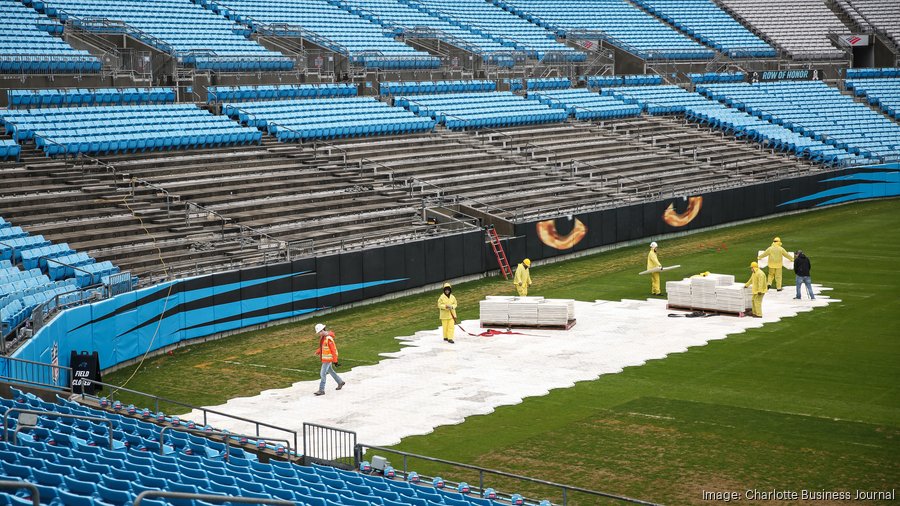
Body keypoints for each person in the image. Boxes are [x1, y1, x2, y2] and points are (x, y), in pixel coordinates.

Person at [313, 323, 345, 396]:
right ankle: (340, 382)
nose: (319, 334)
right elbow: (323, 347)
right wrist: (318, 351)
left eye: (319, 332)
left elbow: (333, 350)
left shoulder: (328, 338)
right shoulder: (323, 337)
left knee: (322, 373)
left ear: (322, 330)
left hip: (328, 359)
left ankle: (321, 390)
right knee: (331, 371)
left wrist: (335, 361)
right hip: (326, 359)